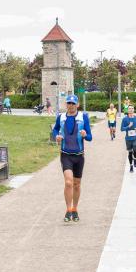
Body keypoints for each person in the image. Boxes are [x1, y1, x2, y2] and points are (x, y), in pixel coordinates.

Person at [52, 94, 93, 222]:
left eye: (73, 103)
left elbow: (90, 137)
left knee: (76, 184)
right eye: (69, 103)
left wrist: (85, 134)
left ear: (77, 105)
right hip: (66, 155)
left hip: (79, 156)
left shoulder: (83, 117)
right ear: (66, 104)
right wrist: (56, 136)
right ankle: (68, 209)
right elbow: (55, 130)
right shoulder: (61, 117)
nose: (70, 105)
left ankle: (75, 209)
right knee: (68, 182)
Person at [120, 105, 136, 173]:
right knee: (130, 152)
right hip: (128, 138)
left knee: (135, 149)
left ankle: (134, 158)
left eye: (132, 108)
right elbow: (122, 129)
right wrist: (128, 126)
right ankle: (131, 166)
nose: (131, 110)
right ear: (127, 110)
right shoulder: (125, 119)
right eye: (129, 108)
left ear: (134, 110)